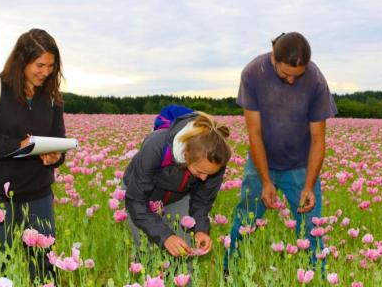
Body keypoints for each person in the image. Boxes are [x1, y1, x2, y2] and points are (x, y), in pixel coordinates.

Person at [224, 32, 338, 272]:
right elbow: (254, 133)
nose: (291, 81)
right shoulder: (253, 73)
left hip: (300, 165)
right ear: (273, 57)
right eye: (285, 74)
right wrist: (265, 181)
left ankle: (317, 280)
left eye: (298, 76)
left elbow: (318, 139)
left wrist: (309, 185)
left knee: (310, 226)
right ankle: (230, 272)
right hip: (261, 161)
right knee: (246, 217)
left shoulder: (315, 79)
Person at [0, 28, 66, 283]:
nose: (46, 72)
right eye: (39, 65)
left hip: (37, 191)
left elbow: (58, 140)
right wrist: (17, 145)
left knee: (43, 260)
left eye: (51, 66)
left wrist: (55, 157)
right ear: (22, 61)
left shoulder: (51, 98)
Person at [123, 111, 231, 265]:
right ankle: (150, 284)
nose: (204, 178)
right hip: (141, 198)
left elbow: (203, 200)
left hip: (178, 196)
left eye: (209, 174)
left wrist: (200, 229)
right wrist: (166, 236)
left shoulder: (216, 159)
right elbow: (136, 200)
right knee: (147, 250)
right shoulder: (156, 147)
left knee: (185, 249)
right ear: (186, 154)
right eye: (200, 172)